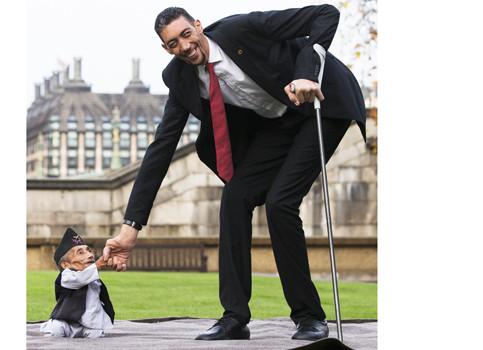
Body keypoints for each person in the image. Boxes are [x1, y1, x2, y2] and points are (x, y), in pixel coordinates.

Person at [104, 4, 366, 341]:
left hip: (323, 104)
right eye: (173, 44)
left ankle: (309, 317)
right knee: (235, 196)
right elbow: (160, 149)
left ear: (197, 26)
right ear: (165, 48)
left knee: (280, 203)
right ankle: (234, 318)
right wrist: (130, 229)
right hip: (280, 122)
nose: (184, 46)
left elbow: (326, 13)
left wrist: (307, 72)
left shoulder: (241, 29)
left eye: (186, 34)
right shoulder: (179, 78)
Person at [40, 228, 115, 338]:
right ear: (65, 265)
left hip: (89, 323)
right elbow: (79, 280)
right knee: (55, 329)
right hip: (66, 321)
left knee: (97, 336)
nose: (90, 255)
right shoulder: (66, 276)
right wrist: (97, 266)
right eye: (80, 253)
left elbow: (104, 299)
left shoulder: (95, 279)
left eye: (89, 251)